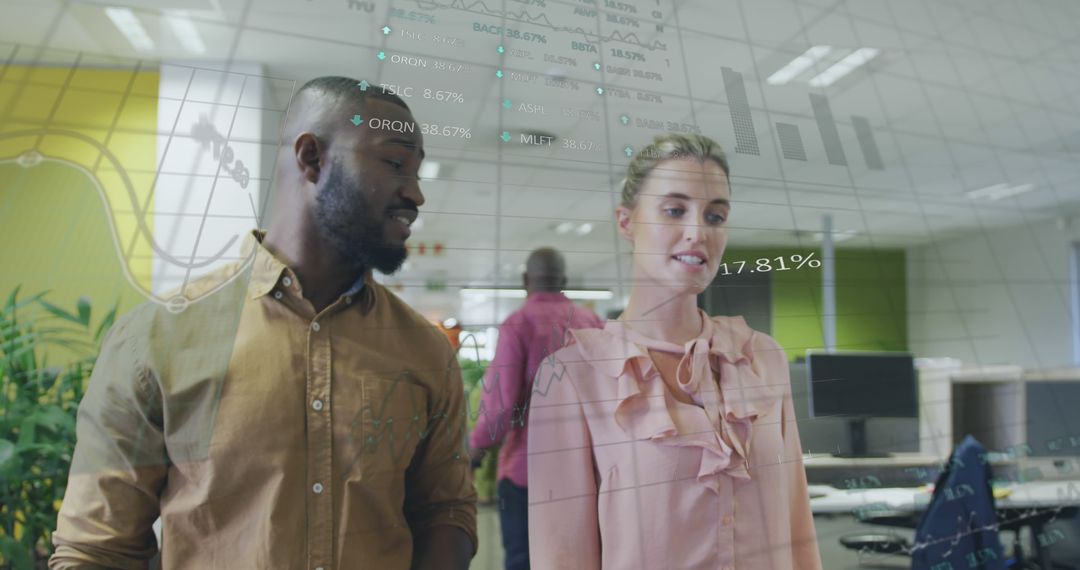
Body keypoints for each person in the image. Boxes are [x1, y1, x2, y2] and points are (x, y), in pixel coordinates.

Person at [50, 77, 477, 569]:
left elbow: (445, 510)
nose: (416, 193)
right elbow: (97, 549)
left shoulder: (423, 351)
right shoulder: (156, 340)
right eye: (395, 163)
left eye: (417, 171)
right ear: (312, 158)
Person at [527, 134, 822, 569]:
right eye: (674, 210)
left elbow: (797, 530)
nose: (697, 232)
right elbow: (561, 556)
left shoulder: (763, 358)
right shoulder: (571, 378)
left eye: (715, 215)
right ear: (627, 221)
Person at [468, 248, 604, 570]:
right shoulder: (592, 322)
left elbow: (500, 405)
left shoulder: (518, 324)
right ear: (565, 281)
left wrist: (476, 450)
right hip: (585, 471)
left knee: (523, 560)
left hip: (527, 474)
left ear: (526, 280)